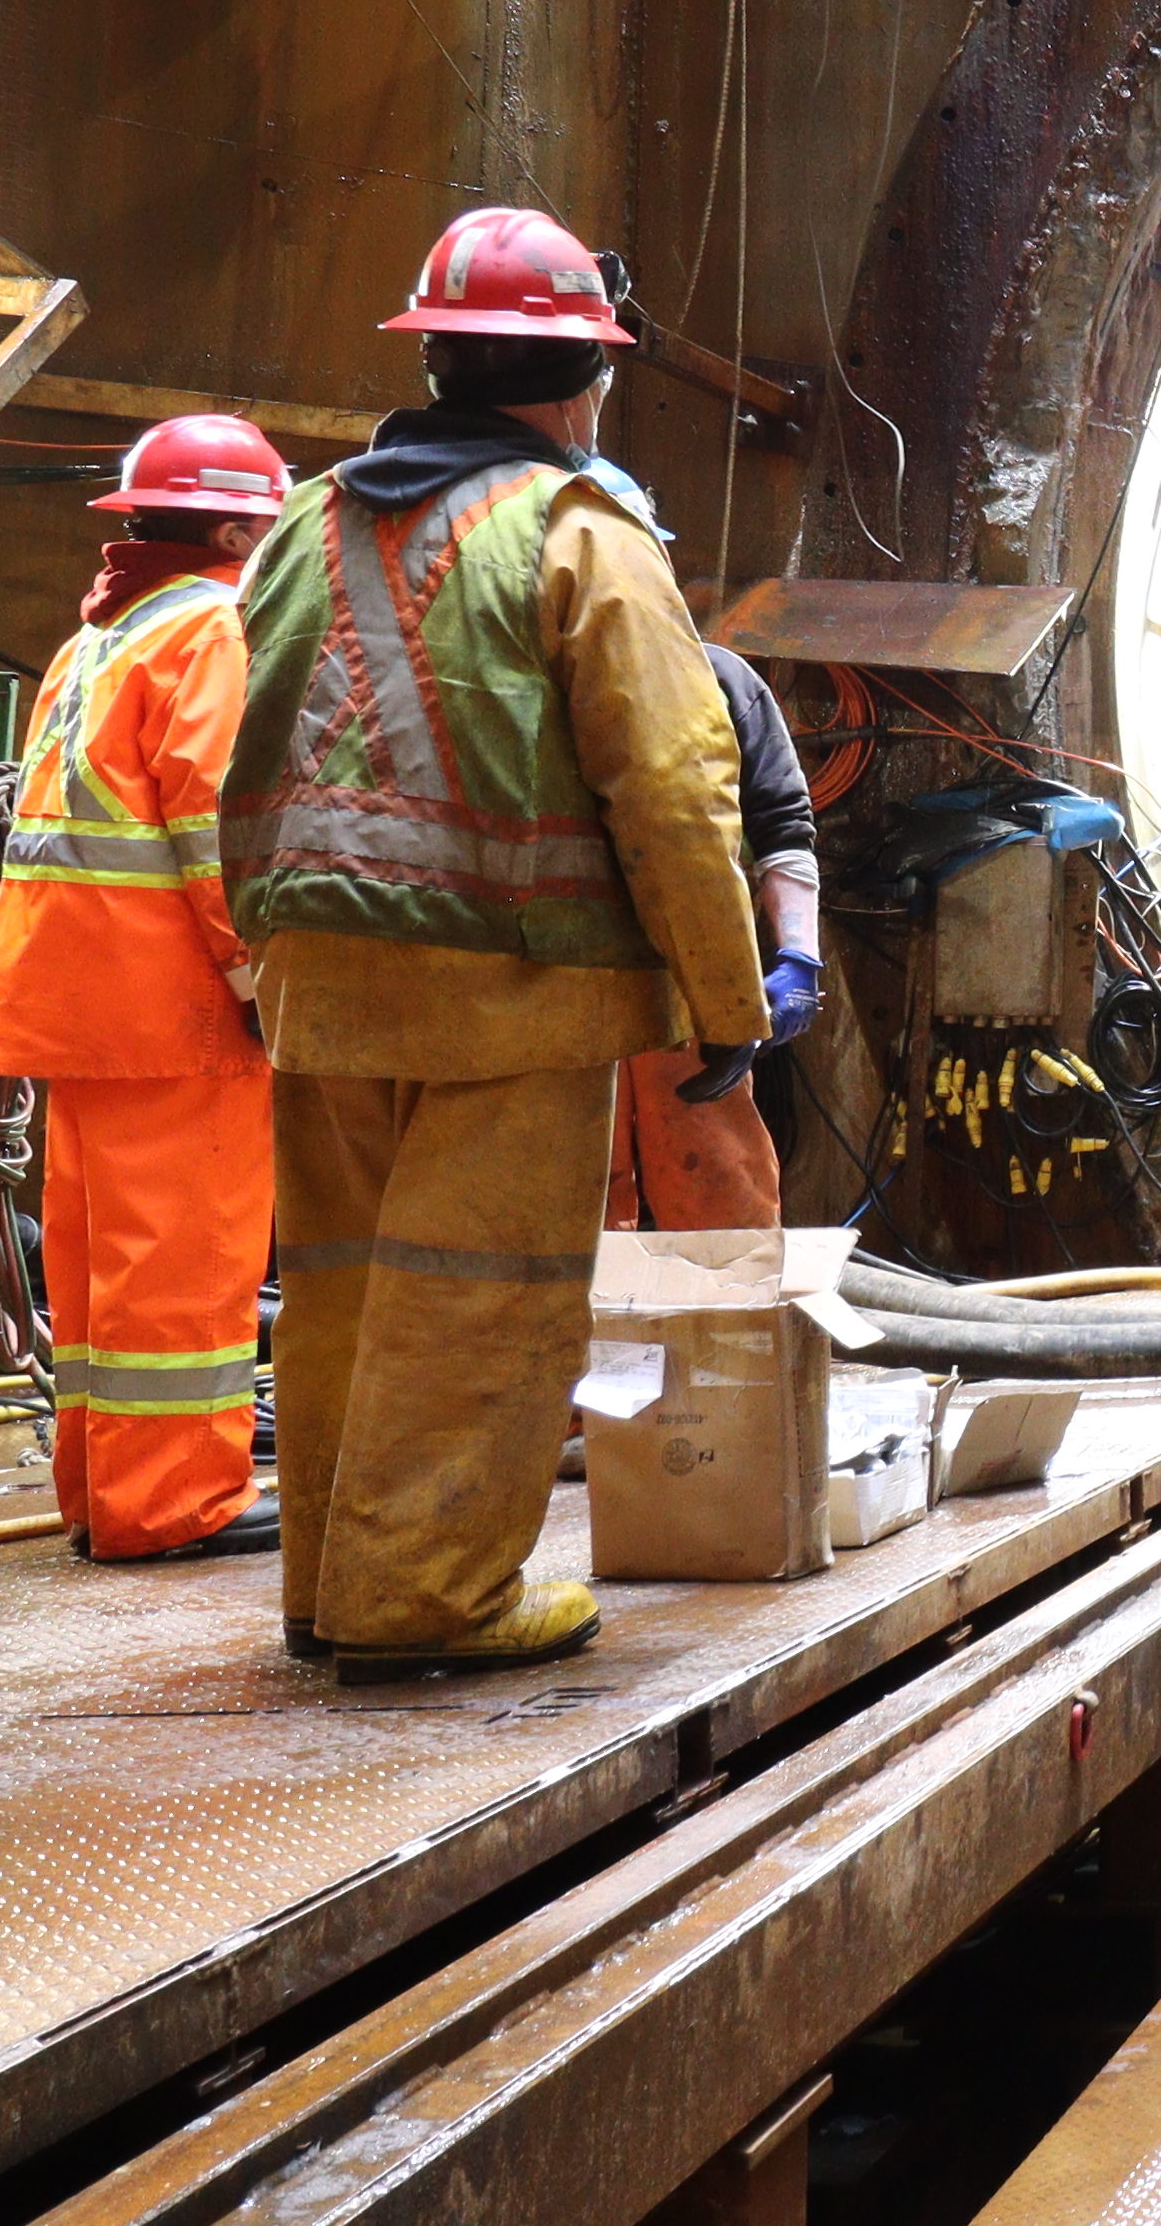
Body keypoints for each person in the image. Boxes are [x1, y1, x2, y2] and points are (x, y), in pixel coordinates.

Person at [222, 211, 773, 1679]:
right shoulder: (580, 533)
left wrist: (256, 962)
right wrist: (721, 999)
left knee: (341, 1284)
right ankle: (430, 1601)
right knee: (476, 1300)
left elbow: (247, 754)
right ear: (583, 379)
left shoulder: (303, 523)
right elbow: (669, 780)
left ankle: (330, 1586)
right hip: (510, 988)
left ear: (439, 357)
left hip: (319, 979)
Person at [0, 413, 288, 1562]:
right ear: (228, 523)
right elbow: (217, 817)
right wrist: (259, 974)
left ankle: (102, 1489)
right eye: (265, 522)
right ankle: (168, 1502)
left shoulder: (98, 636)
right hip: (170, 1007)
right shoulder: (212, 627)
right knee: (182, 1263)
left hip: (72, 997)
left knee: (99, 1268)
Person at [611, 638, 826, 1231]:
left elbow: (783, 828)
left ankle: (732, 1317)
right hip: (564, 980)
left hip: (691, 977)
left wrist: (800, 958)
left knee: (712, 1182)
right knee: (574, 1205)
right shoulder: (533, 671)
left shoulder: (720, 676)